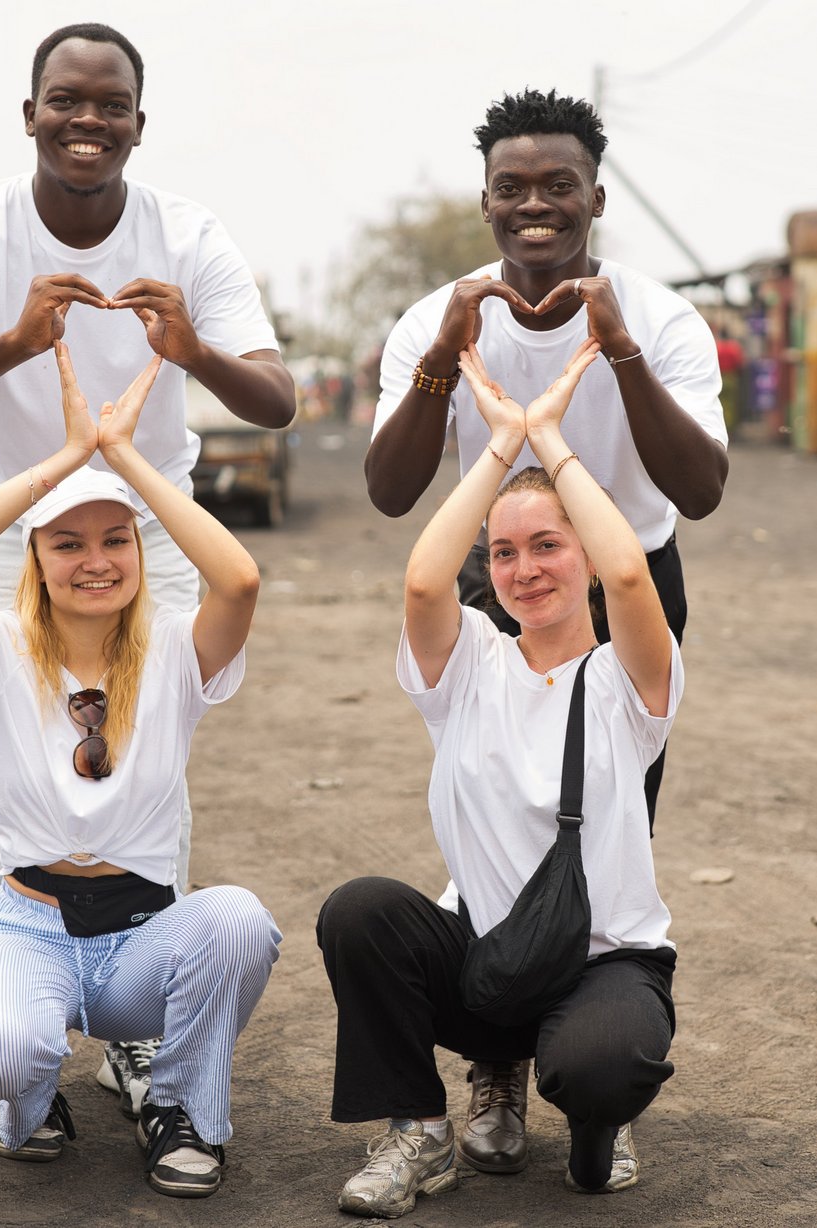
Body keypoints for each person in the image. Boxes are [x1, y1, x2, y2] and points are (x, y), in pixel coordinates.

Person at [0, 21, 295, 1116]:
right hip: (12, 524)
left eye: (110, 105)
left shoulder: (186, 233)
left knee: (147, 757)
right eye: (66, 99)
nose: (87, 120)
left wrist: (193, 352)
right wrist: (12, 343)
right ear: (31, 115)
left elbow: (275, 398)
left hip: (142, 523)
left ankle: (137, 1027)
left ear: (139, 125)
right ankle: (11, 993)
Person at [362, 87, 726, 1174]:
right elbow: (389, 491)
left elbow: (700, 490)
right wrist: (441, 357)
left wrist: (617, 350)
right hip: (500, 576)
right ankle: (497, 1063)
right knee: (492, 814)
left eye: (557, 184)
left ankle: (596, 1066)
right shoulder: (438, 319)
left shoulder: (657, 316)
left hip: (626, 583)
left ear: (594, 198)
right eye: (511, 187)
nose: (534, 204)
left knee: (612, 823)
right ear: (484, 203)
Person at [318, 338, 682, 1218]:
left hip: (601, 967)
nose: (525, 570)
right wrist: (496, 447)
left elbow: (631, 570)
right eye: (506, 552)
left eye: (548, 545)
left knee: (601, 1065)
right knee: (361, 912)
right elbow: (423, 583)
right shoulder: (470, 664)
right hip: (487, 962)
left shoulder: (628, 680)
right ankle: (421, 1130)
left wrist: (547, 438)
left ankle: (598, 1124)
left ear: (583, 555)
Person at [0, 339, 281, 1198]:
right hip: (29, 925)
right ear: (36, 561)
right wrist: (69, 457)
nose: (96, 561)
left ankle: (179, 1109)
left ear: (140, 554)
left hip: (139, 937)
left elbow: (238, 579)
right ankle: (30, 1095)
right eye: (68, 544)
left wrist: (126, 462)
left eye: (116, 541)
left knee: (237, 922)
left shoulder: (175, 654)